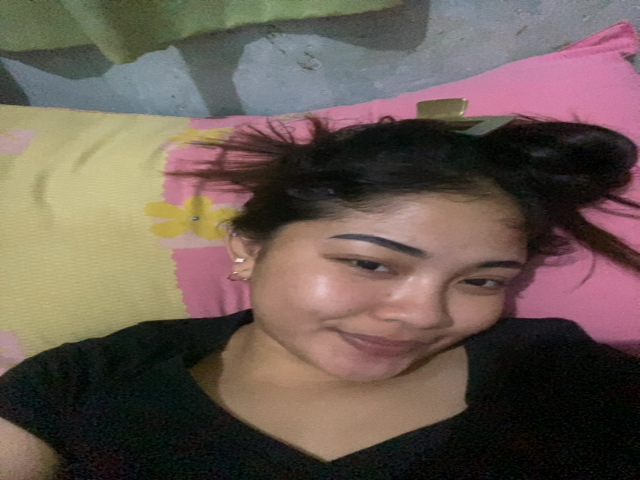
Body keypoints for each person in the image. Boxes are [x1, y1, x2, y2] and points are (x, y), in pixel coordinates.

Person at [1, 116, 639, 479]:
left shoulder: (558, 374)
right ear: (250, 248)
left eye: (482, 281)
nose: (423, 315)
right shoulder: (85, 381)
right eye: (370, 263)